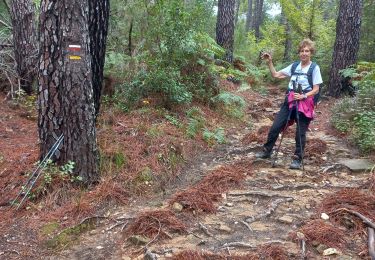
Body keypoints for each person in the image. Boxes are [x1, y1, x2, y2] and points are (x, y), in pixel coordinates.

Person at [255, 39, 323, 169]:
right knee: (276, 126)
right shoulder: (294, 66)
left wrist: (303, 95)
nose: (304, 53)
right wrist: (270, 62)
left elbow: (316, 89)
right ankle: (266, 151)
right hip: (290, 101)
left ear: (311, 53)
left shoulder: (314, 68)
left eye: (307, 51)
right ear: (299, 53)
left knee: (300, 132)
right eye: (302, 51)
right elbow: (276, 74)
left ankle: (298, 158)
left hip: (304, 102)